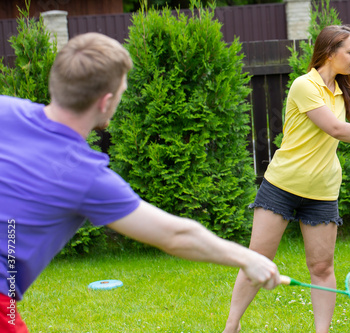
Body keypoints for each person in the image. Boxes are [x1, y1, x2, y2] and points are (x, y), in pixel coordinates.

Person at [0, 32, 281, 333]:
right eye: (122, 91)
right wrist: (247, 258)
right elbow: (175, 235)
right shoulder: (85, 175)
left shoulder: (5, 109)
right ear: (106, 101)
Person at [222, 25, 350, 333]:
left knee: (322, 267)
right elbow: (335, 129)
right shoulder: (303, 85)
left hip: (322, 191)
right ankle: (232, 326)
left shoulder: (340, 92)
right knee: (258, 259)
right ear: (329, 53)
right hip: (282, 186)